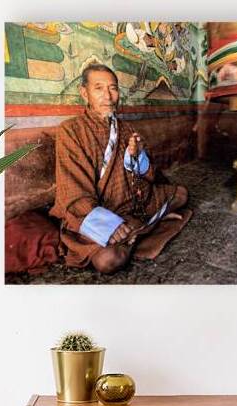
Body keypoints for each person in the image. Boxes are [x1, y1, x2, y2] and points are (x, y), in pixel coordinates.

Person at [50, 63, 189, 273]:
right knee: (108, 260)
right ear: (84, 93)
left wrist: (138, 156)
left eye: (113, 88)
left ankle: (135, 226)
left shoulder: (126, 129)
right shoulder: (70, 131)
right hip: (95, 211)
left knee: (181, 194)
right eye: (98, 88)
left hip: (131, 203)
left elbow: (146, 178)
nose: (108, 96)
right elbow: (73, 190)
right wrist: (109, 226)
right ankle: (142, 225)